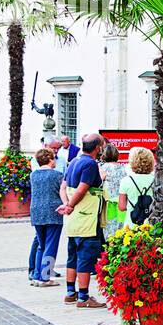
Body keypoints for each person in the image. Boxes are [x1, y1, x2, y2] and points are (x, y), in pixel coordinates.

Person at [57, 132, 107, 308]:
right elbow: (82, 189)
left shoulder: (74, 162)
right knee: (85, 258)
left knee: (73, 256)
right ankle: (84, 297)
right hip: (87, 219)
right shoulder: (90, 164)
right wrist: (70, 205)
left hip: (73, 220)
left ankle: (71, 293)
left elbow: (63, 187)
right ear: (98, 148)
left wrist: (66, 204)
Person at [28, 147, 65, 286]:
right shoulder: (57, 175)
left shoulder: (34, 175)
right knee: (51, 245)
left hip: (36, 211)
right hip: (53, 211)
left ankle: (37, 276)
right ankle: (45, 277)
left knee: (41, 245)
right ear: (50, 159)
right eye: (54, 158)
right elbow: (62, 191)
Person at [117, 146, 156, 227]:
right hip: (152, 222)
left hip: (131, 223)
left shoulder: (126, 180)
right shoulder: (156, 179)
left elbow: (122, 207)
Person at [97, 143, 125, 240]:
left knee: (107, 232)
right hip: (121, 204)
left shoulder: (101, 168)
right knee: (120, 231)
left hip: (107, 205)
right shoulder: (123, 168)